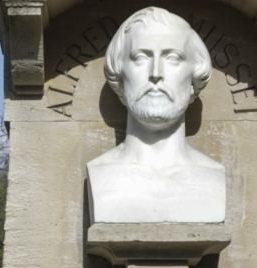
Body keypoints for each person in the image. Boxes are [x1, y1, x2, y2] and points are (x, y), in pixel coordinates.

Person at [87, 7, 226, 224]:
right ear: (120, 76)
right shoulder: (100, 175)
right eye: (140, 57)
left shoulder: (212, 176)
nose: (155, 73)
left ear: (194, 77)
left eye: (173, 58)